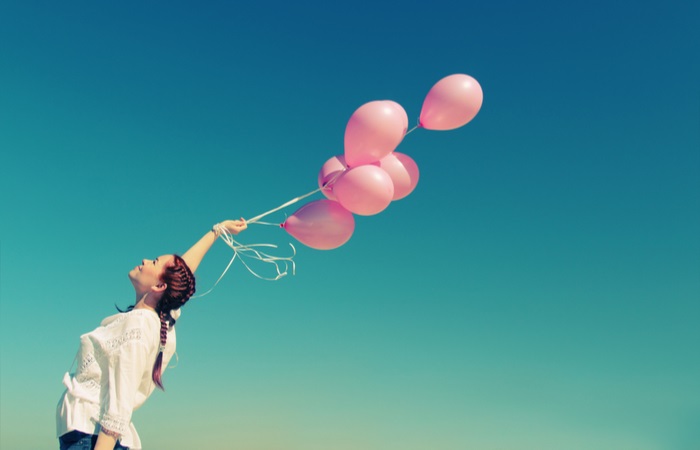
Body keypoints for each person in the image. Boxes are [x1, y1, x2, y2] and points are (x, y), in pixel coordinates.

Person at [56, 219, 248, 450]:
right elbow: (180, 273)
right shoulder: (159, 321)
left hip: (94, 438)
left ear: (159, 287)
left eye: (154, 262)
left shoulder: (138, 326)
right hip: (88, 435)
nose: (145, 260)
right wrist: (218, 231)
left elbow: (118, 407)